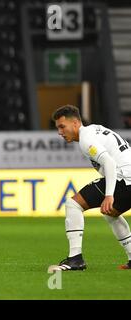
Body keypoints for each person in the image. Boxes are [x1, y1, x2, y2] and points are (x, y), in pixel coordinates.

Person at [51, 105, 131, 271]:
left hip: (125, 177)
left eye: (62, 126)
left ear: (75, 123)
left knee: (73, 204)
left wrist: (109, 195)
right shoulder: (94, 130)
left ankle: (75, 259)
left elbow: (109, 163)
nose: (60, 132)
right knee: (111, 213)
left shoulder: (86, 139)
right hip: (128, 175)